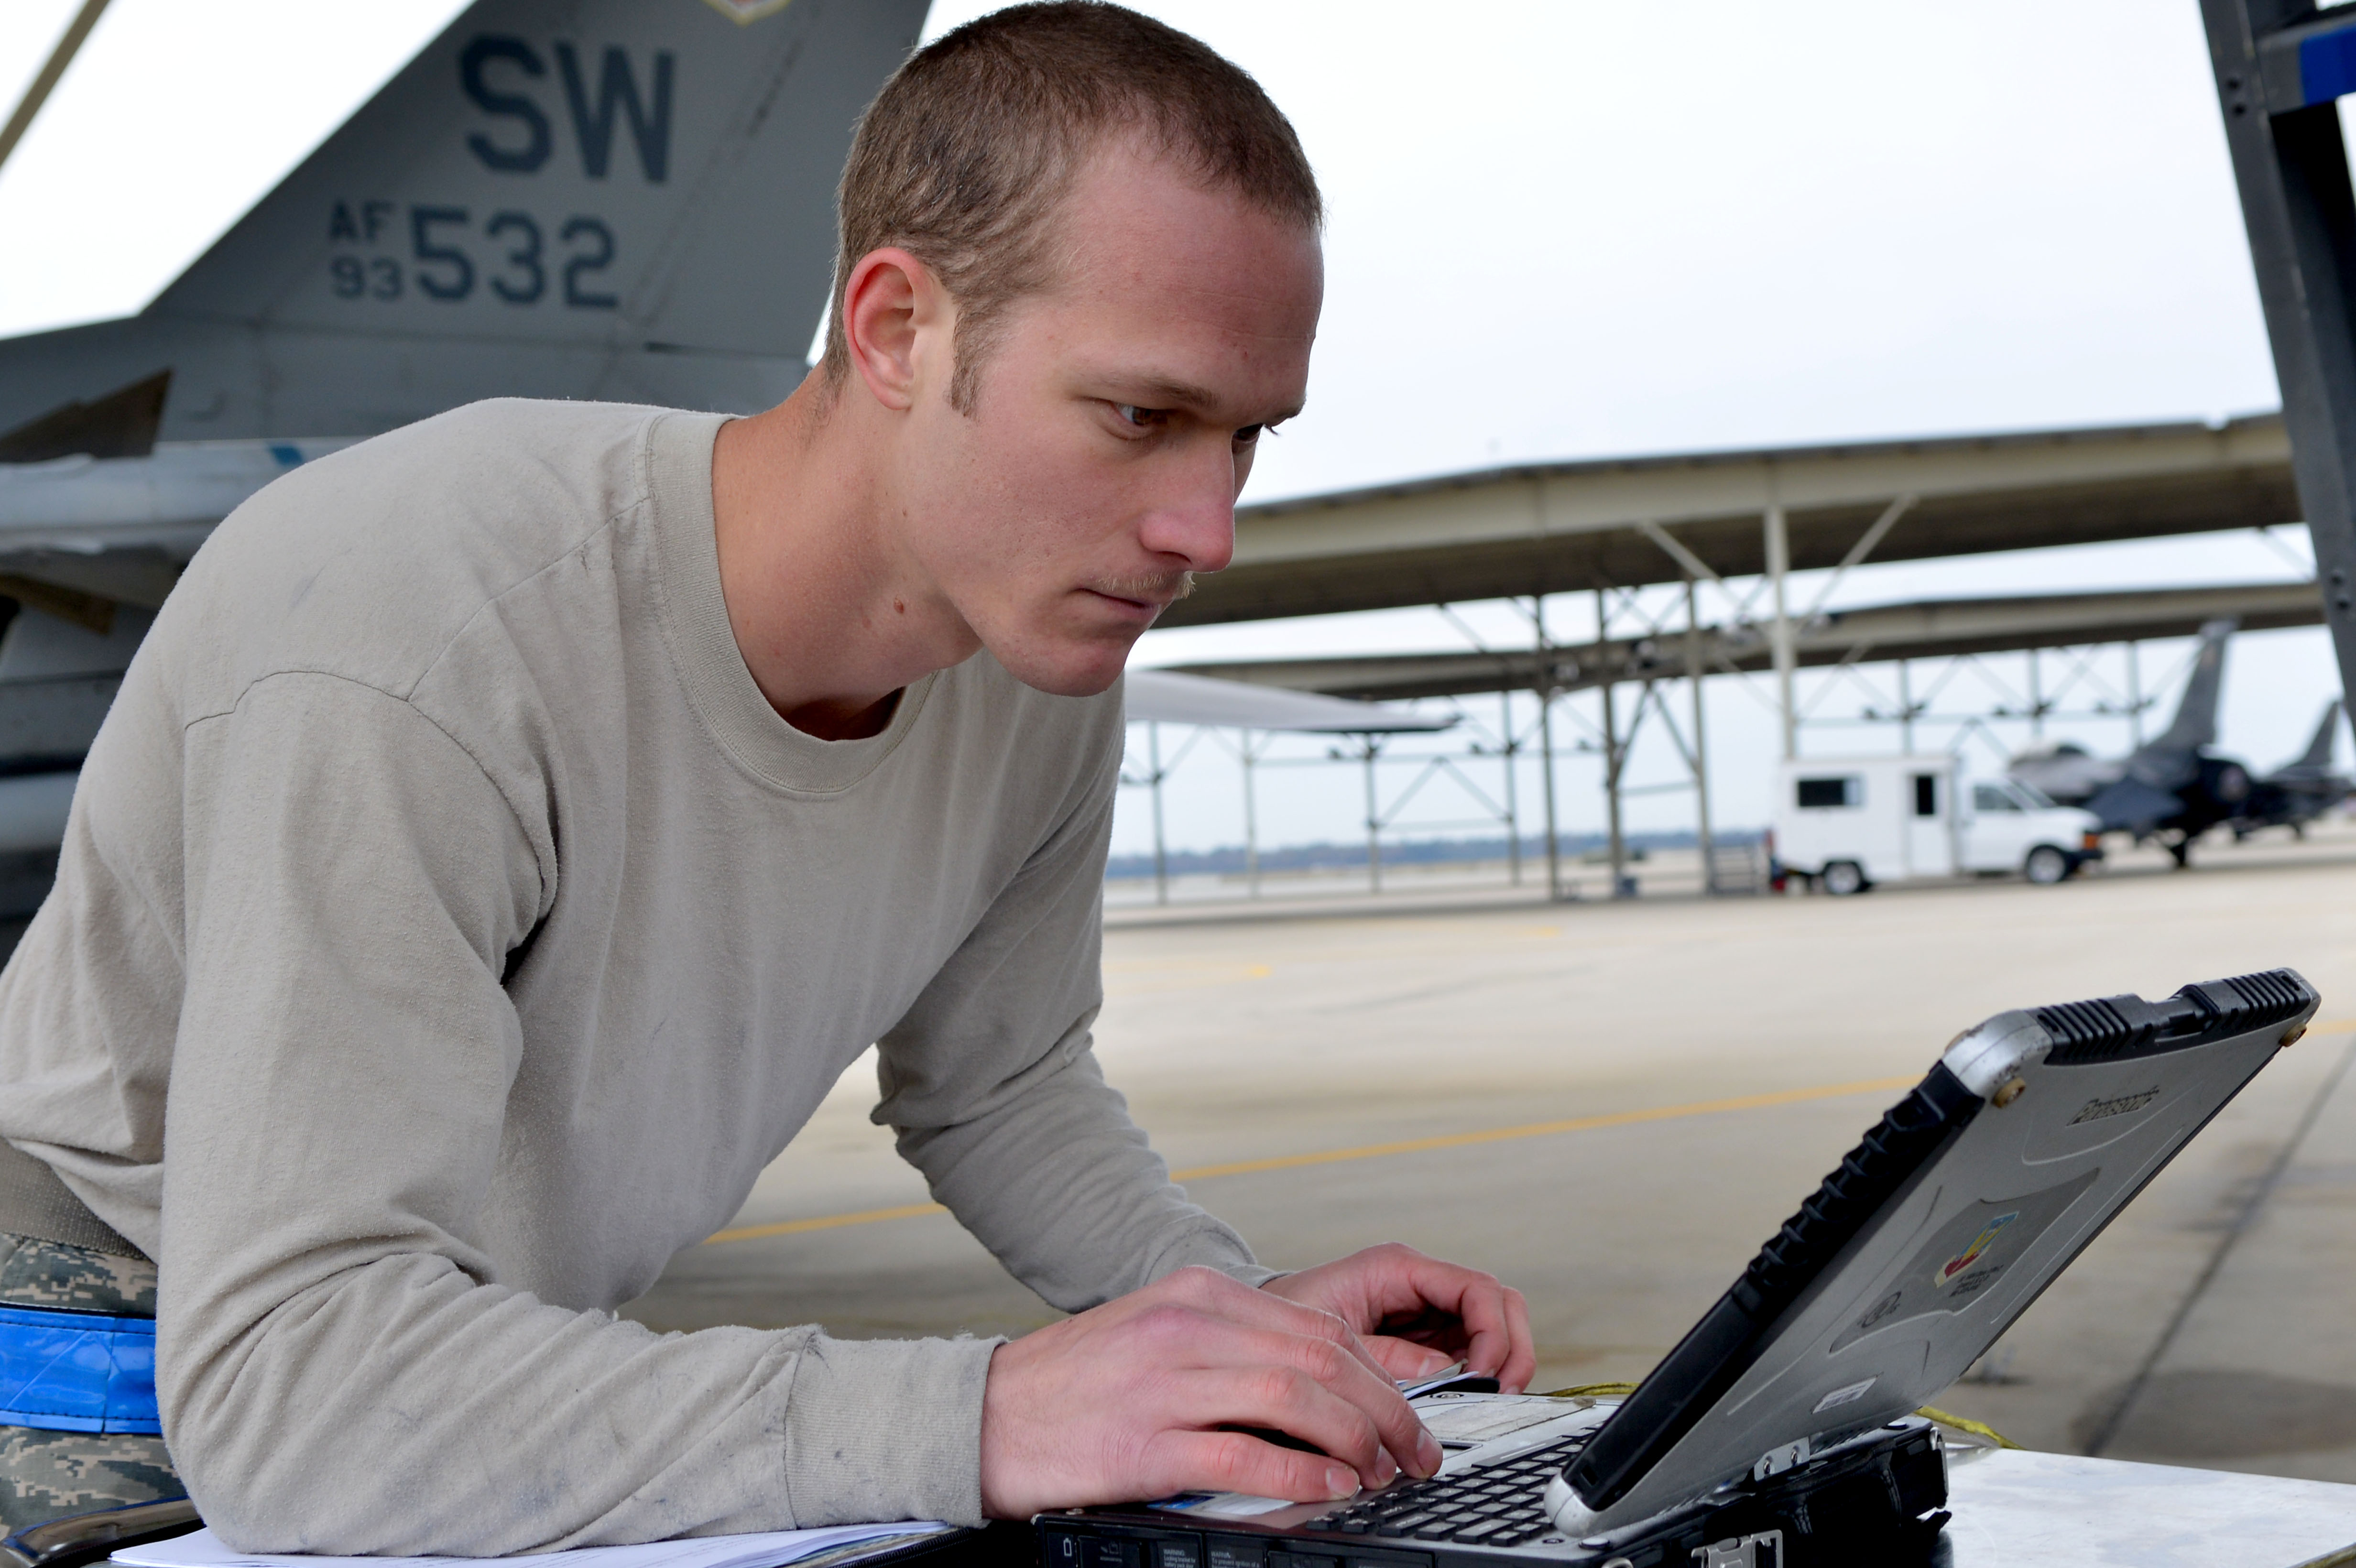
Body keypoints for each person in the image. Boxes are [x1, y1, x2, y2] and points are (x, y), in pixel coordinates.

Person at [0, 2, 1533, 1551]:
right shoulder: (427, 626)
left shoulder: (1027, 654)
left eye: (1247, 438)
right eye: (1141, 417)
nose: (1206, 530)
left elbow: (1000, 1083)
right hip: (99, 1383)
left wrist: (1240, 1331)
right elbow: (293, 1388)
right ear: (893, 330)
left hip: (456, 1374)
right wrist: (988, 1413)